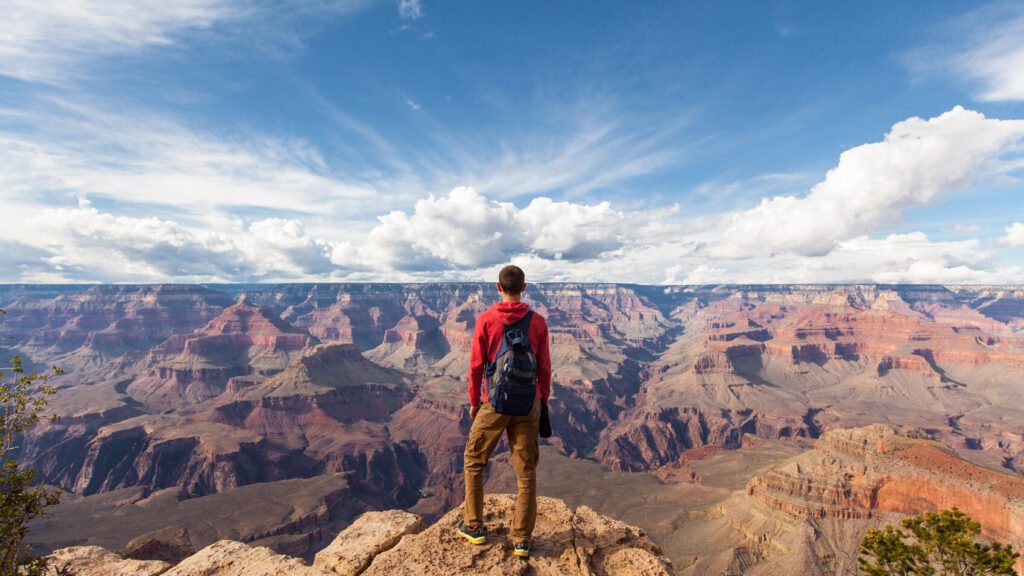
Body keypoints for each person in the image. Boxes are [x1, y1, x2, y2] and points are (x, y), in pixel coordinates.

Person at [457, 265, 551, 559]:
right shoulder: (538, 322)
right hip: (528, 404)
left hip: (494, 404)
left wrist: (475, 401)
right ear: (524, 287)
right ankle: (521, 540)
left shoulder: (485, 320)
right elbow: (545, 368)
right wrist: (541, 399)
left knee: (474, 459)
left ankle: (474, 526)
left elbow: (475, 366)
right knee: (526, 474)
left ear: (498, 287)